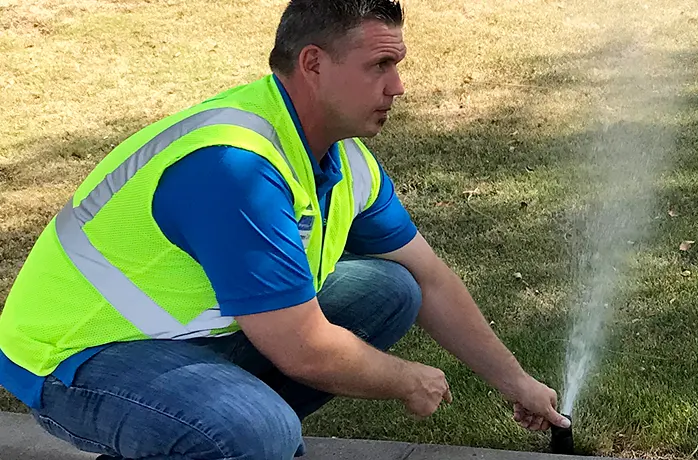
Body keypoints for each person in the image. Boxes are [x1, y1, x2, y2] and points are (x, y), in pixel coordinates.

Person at [0, 1, 570, 458]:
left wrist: (516, 383)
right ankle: (223, 434)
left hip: (185, 337)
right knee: (256, 432)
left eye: (397, 66)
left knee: (394, 288)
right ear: (314, 64)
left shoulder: (344, 160)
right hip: (76, 356)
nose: (397, 86)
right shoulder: (233, 168)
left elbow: (432, 279)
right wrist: (407, 379)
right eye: (379, 66)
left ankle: (200, 432)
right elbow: (303, 350)